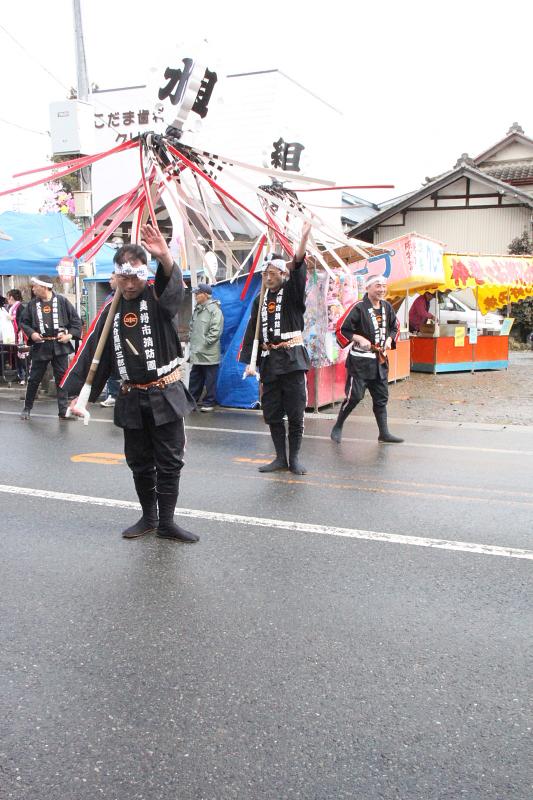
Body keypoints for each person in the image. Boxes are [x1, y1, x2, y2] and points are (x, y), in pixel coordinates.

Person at [62, 224, 199, 543]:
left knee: (169, 462)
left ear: (145, 274)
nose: (129, 281)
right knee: (139, 463)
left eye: (135, 275)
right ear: (114, 276)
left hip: (165, 393)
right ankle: (148, 517)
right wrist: (79, 396)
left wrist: (165, 258)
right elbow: (96, 358)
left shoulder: (159, 300)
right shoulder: (110, 311)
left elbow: (173, 291)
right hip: (130, 397)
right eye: (122, 276)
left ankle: (167, 521)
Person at [240, 222, 312, 475]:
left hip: (292, 359)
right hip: (270, 361)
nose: (269, 277)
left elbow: (299, 265)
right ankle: (280, 457)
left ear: (283, 274)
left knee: (295, 411)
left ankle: (295, 458)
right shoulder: (260, 299)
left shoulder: (292, 292)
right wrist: (251, 361)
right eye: (265, 273)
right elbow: (253, 331)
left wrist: (302, 242)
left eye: (273, 273)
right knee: (272, 411)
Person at [330, 273, 403, 445]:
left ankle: (384, 433)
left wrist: (390, 339)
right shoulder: (358, 307)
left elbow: (395, 326)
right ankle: (338, 425)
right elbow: (341, 329)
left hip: (379, 360)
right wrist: (358, 338)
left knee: (381, 397)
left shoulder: (386, 307)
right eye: (378, 286)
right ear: (368, 288)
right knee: (354, 396)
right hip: (360, 362)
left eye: (384, 286)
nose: (382, 290)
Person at [19, 276, 82, 420]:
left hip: (59, 345)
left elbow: (76, 322)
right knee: (34, 378)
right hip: (41, 346)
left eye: (35, 286)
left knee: (62, 379)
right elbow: (24, 322)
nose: (33, 289)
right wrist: (32, 333)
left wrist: (70, 336)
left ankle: (62, 412)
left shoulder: (61, 301)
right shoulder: (32, 305)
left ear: (45, 287)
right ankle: (27, 408)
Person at [188, 283, 224, 412]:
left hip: (209, 353)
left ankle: (209, 402)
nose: (196, 296)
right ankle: (192, 401)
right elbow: (192, 327)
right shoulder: (197, 309)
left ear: (206, 295)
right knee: (195, 378)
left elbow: (216, 331)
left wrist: (205, 343)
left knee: (210, 379)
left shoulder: (215, 310)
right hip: (197, 352)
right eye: (196, 293)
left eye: (198, 293)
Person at [99, 273, 120, 408]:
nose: (109, 281)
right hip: (109, 338)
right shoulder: (110, 297)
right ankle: (112, 394)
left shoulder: (124, 296)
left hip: (120, 338)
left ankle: (115, 394)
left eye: (112, 278)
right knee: (111, 367)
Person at [6, 289, 27, 383]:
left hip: (20, 335)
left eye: (8, 297)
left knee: (21, 355)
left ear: (11, 297)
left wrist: (13, 318)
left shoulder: (20, 307)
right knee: (16, 355)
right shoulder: (12, 308)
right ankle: (19, 374)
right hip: (14, 335)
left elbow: (22, 321)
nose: (7, 299)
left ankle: (24, 376)